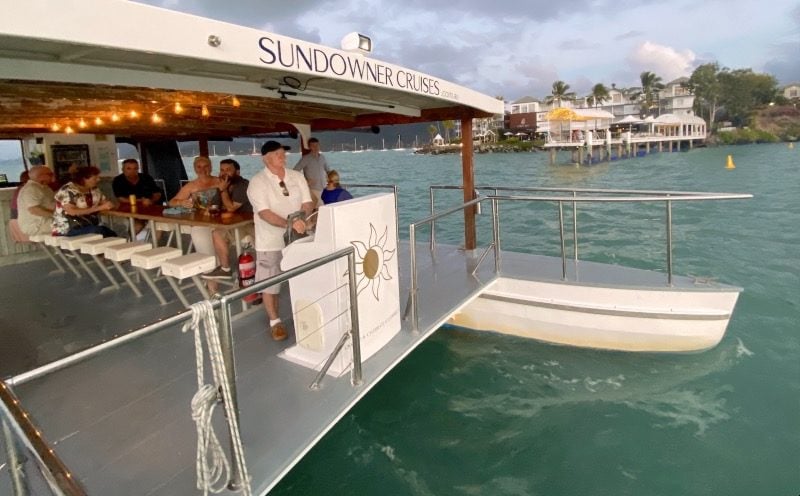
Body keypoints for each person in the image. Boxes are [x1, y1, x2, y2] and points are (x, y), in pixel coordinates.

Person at [247, 141, 312, 340]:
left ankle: (308, 311)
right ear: (266, 159)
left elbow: (308, 202)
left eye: (283, 153)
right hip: (271, 241)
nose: (283, 157)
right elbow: (265, 213)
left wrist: (300, 219)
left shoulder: (296, 176)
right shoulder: (257, 182)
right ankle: (274, 321)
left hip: (299, 236)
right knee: (270, 283)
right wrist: (289, 224)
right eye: (278, 154)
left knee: (305, 275)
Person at [201, 158, 254, 280]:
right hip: (230, 223)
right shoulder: (223, 185)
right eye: (222, 170)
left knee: (217, 233)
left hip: (248, 224)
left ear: (238, 172)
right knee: (213, 232)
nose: (224, 173)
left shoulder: (243, 185)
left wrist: (223, 190)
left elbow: (231, 208)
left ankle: (226, 269)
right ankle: (219, 268)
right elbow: (214, 206)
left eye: (228, 170)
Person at [168, 156, 222, 264]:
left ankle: (220, 267)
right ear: (195, 168)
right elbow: (171, 202)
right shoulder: (191, 186)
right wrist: (181, 202)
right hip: (201, 222)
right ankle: (209, 271)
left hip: (220, 220)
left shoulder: (219, 181)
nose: (203, 169)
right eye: (199, 167)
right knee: (205, 252)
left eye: (206, 166)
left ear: (211, 167)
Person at [52, 166, 116, 237]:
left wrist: (108, 205)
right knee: (100, 232)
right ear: (83, 179)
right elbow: (72, 212)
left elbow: (104, 202)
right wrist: (98, 208)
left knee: (110, 233)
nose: (99, 179)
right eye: (95, 178)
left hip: (88, 225)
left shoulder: (94, 189)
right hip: (68, 228)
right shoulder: (68, 190)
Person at [112, 158, 163, 238]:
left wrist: (151, 200)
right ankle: (130, 243)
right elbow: (120, 198)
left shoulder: (146, 178)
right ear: (123, 169)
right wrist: (140, 201)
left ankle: (153, 246)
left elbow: (157, 193)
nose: (132, 171)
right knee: (138, 225)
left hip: (150, 209)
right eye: (128, 168)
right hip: (130, 210)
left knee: (159, 224)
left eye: (135, 168)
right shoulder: (118, 180)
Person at [17, 166, 56, 236]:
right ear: (41, 176)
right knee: (71, 225)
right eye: (50, 174)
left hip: (46, 221)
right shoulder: (31, 189)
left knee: (76, 222)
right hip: (37, 225)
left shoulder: (45, 188)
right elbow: (34, 210)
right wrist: (56, 216)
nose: (53, 176)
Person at [293, 137, 328, 208]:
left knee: (323, 208)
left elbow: (328, 170)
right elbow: (295, 171)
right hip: (313, 189)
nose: (315, 147)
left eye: (317, 145)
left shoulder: (322, 157)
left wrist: (333, 181)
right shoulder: (306, 158)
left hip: (324, 188)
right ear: (309, 147)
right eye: (313, 146)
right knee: (320, 209)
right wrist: (305, 181)